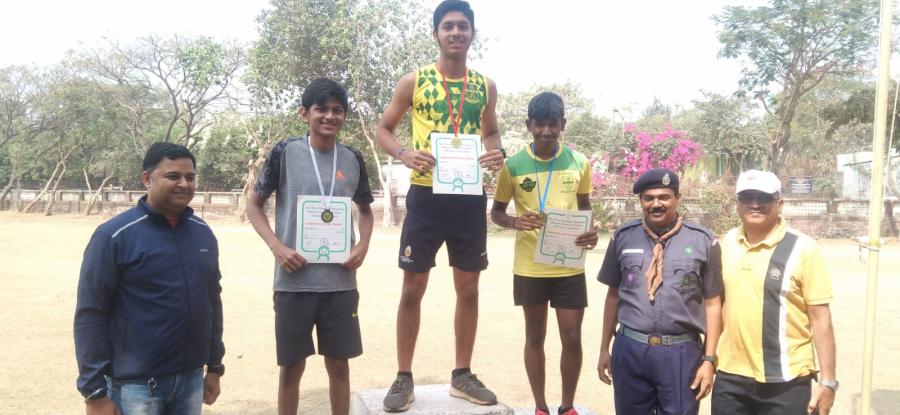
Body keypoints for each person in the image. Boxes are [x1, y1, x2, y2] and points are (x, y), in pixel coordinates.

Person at [374, 0, 505, 412]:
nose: (455, 32)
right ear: (436, 34)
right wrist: (404, 154)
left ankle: (462, 374)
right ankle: (403, 376)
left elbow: (492, 132)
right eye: (448, 26)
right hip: (426, 195)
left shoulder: (485, 85)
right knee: (413, 288)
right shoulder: (414, 81)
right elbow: (384, 129)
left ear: (472, 33)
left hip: (468, 197)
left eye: (462, 26)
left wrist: (497, 152)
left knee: (469, 289)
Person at [246, 78, 375, 415]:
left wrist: (362, 245)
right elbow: (254, 206)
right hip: (294, 282)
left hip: (339, 282)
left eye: (337, 110)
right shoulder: (285, 152)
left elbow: (365, 211)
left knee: (340, 365)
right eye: (322, 109)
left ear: (344, 115)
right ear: (305, 113)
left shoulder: (352, 158)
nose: (330, 116)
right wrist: (277, 247)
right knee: (291, 368)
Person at [75, 142, 224, 415]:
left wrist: (214, 366)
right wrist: (94, 391)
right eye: (173, 176)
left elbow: (212, 301)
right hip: (135, 386)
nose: (184, 184)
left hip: (191, 380)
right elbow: (91, 313)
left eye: (190, 177)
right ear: (147, 178)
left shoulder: (202, 233)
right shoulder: (114, 236)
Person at [490, 92, 598, 415]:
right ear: (529, 125)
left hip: (569, 266)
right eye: (540, 124)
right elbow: (496, 212)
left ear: (563, 124)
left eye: (553, 124)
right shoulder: (513, 166)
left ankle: (567, 406)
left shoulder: (579, 163)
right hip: (530, 266)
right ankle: (540, 407)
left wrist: (590, 231)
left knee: (572, 337)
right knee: (535, 335)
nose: (546, 131)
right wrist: (515, 222)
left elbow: (585, 206)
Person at [596, 168, 723, 415]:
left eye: (664, 197)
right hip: (630, 348)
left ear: (677, 198)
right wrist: (604, 348)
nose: (656, 204)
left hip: (681, 353)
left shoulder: (703, 241)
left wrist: (709, 359)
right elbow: (613, 296)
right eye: (649, 198)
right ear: (641, 201)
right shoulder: (623, 237)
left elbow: (713, 303)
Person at [711, 170, 837, 415]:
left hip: (787, 379)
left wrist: (828, 381)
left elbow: (820, 318)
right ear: (737, 203)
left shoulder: (803, 248)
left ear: (779, 203)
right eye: (747, 197)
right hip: (731, 375)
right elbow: (716, 304)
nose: (755, 204)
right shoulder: (727, 243)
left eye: (764, 198)